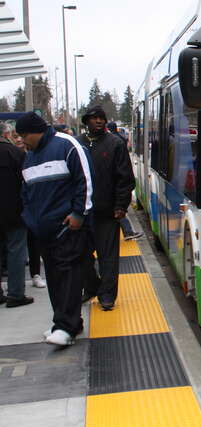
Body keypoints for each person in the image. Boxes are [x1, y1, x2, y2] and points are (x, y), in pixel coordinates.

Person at [17, 112, 93, 346]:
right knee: (55, 278)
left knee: (69, 275)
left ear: (35, 131)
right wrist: (29, 219)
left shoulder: (67, 146)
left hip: (67, 227)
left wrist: (79, 213)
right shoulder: (30, 158)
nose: (21, 140)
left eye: (23, 135)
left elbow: (85, 179)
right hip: (43, 230)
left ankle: (65, 326)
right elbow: (26, 192)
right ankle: (64, 321)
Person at [78, 107, 135, 311]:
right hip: (82, 212)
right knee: (80, 254)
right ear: (87, 121)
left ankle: (107, 296)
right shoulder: (78, 143)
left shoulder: (115, 144)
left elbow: (125, 178)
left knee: (108, 257)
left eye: (102, 118)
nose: (99, 121)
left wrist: (121, 205)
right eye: (94, 118)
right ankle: (92, 286)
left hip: (107, 211)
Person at [0, 121, 34, 307]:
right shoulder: (15, 153)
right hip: (14, 212)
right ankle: (15, 294)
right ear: (6, 135)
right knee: (16, 252)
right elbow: (28, 181)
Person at [107, 121, 142, 241]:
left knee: (117, 211)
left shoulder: (111, 141)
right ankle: (128, 232)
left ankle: (128, 232)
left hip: (113, 186)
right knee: (118, 211)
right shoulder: (120, 138)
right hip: (117, 186)